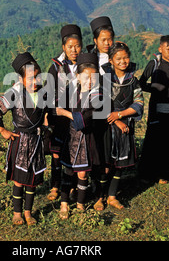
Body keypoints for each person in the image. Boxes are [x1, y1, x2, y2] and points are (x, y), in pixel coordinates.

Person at [0, 52, 48, 225]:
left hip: (36, 142)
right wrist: (2, 130)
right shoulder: (13, 93)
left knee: (32, 181)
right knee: (19, 180)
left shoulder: (43, 93)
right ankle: (17, 212)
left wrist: (46, 124)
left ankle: (28, 212)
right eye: (30, 78)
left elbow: (48, 111)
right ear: (20, 79)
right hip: (20, 141)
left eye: (37, 77)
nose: (35, 82)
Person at [56, 53, 102, 219]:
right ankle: (64, 203)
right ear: (77, 76)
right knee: (68, 171)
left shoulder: (97, 96)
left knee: (83, 174)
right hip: (70, 138)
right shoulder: (70, 92)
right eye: (86, 77)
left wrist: (65, 113)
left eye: (94, 78)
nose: (90, 81)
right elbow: (57, 106)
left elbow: (85, 119)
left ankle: (81, 204)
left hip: (86, 139)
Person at [100, 42, 144, 209]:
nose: (122, 61)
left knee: (120, 164)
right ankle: (100, 196)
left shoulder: (133, 80)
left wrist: (121, 115)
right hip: (106, 125)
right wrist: (116, 120)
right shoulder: (104, 79)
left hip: (125, 125)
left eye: (125, 57)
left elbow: (139, 102)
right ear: (111, 60)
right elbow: (99, 103)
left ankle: (112, 196)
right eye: (118, 58)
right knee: (105, 164)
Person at [45, 24, 83, 201]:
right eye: (70, 47)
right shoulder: (56, 67)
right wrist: (47, 114)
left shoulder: (86, 64)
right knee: (57, 152)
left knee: (75, 150)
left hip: (78, 115)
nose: (74, 50)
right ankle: (55, 185)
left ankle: (73, 185)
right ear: (63, 47)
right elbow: (48, 90)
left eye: (77, 46)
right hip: (59, 116)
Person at [138, 35, 169, 185]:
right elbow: (141, 83)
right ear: (160, 49)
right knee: (153, 141)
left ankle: (164, 174)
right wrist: (155, 88)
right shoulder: (154, 63)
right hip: (157, 109)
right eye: (168, 48)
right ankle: (146, 174)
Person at [87, 16, 115, 210]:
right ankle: (87, 188)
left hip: (110, 111)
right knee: (90, 152)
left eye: (110, 39)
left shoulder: (117, 56)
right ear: (95, 40)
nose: (108, 43)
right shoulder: (87, 56)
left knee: (106, 153)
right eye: (103, 40)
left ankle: (102, 195)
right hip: (89, 111)